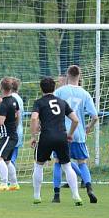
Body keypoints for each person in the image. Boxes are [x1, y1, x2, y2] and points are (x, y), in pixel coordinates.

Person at [30, 77, 83, 206]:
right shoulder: (62, 102)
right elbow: (75, 120)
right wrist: (69, 134)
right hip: (61, 137)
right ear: (54, 88)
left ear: (41, 88)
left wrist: (33, 136)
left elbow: (33, 118)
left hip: (46, 137)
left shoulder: (39, 102)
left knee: (39, 165)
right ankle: (76, 196)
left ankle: (37, 196)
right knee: (67, 166)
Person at [54, 65, 99, 203]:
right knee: (82, 163)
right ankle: (89, 188)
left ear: (68, 74)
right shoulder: (85, 94)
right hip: (78, 134)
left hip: (61, 133)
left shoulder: (60, 91)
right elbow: (95, 116)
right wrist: (88, 127)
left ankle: (56, 195)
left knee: (58, 162)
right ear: (80, 76)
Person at [6, 78, 24, 190]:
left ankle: (10, 182)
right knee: (12, 157)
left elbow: (14, 115)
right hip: (19, 130)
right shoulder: (19, 98)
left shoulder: (11, 99)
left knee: (8, 158)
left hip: (13, 130)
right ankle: (12, 181)